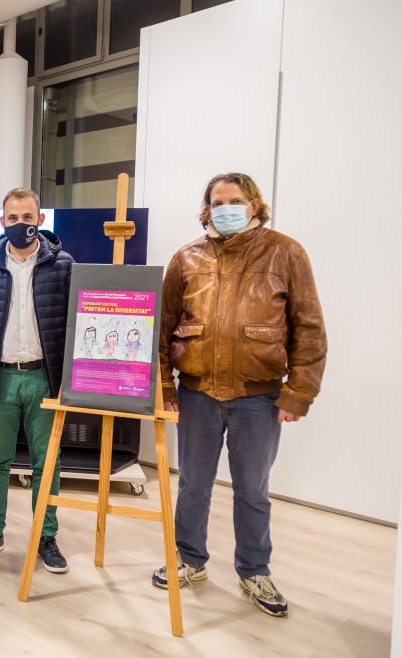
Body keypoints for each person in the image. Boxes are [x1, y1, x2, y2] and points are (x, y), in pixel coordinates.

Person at [151, 172, 327, 617]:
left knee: (253, 489)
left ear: (253, 204)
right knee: (193, 485)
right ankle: (189, 559)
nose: (224, 207)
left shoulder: (286, 252)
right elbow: (162, 325)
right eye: (216, 201)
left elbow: (308, 327)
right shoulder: (186, 258)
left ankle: (254, 570)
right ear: (206, 207)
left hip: (259, 398)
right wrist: (165, 385)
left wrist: (298, 393)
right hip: (197, 395)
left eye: (234, 200)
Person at [0, 187, 73, 573]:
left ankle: (46, 536)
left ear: (40, 220)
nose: (20, 224)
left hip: (44, 377)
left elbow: (77, 326)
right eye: (12, 217)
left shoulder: (64, 266)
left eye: (27, 217)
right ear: (2, 221)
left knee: (47, 462)